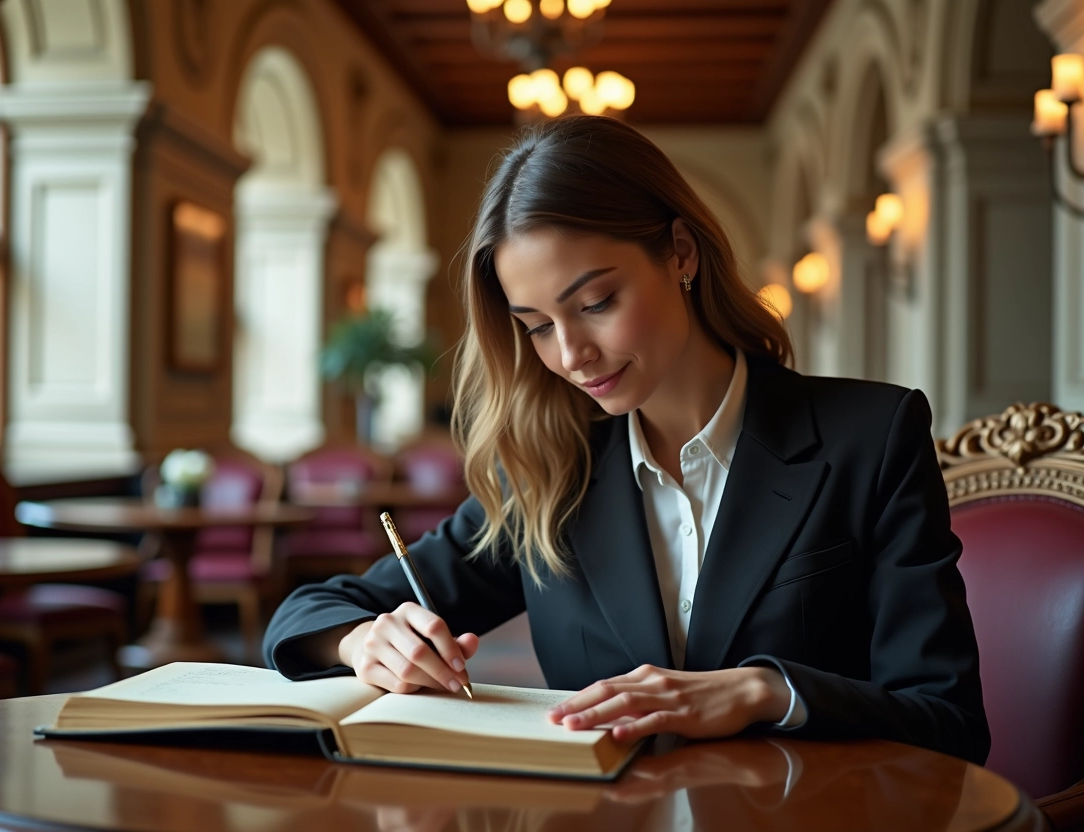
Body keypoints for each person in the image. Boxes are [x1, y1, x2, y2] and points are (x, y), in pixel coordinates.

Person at [264, 115, 990, 764]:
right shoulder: (553, 469)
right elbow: (311, 610)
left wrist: (766, 692)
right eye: (538, 326)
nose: (571, 353)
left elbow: (948, 722)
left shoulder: (873, 437)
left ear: (680, 252)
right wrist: (364, 642)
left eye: (596, 303)